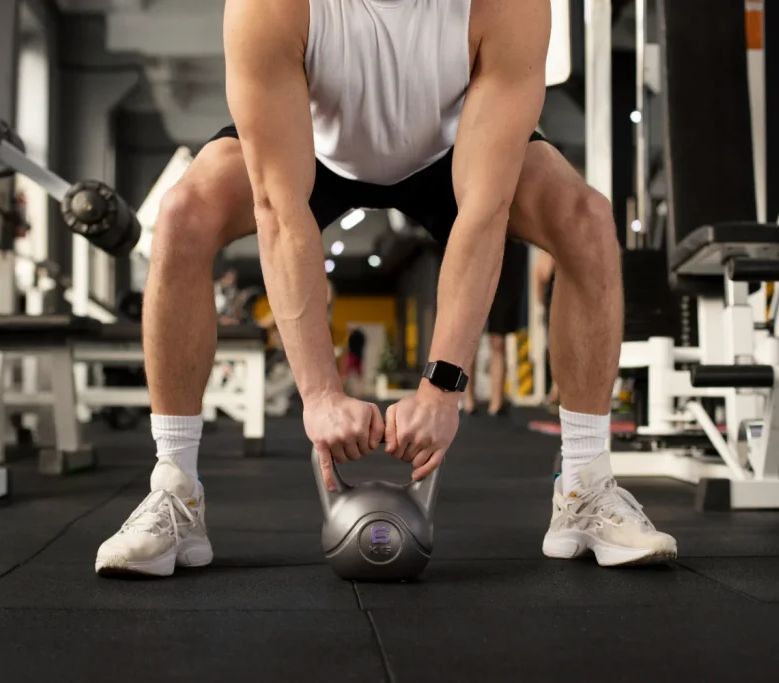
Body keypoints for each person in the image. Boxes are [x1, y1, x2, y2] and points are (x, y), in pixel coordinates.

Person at [95, 0, 677, 577]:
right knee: (181, 216)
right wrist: (320, 393)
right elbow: (278, 207)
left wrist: (442, 389)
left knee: (588, 221)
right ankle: (174, 486)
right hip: (313, 143)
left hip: (455, 146)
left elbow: (484, 208)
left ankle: (585, 484)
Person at [463, 239, 528, 416]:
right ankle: (467, 399)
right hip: (476, 257)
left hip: (506, 258)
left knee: (498, 339)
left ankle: (496, 402)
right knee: (470, 337)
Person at [533, 249, 561, 412]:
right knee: (555, 348)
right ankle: (556, 388)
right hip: (554, 308)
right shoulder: (546, 256)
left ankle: (559, 389)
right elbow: (540, 276)